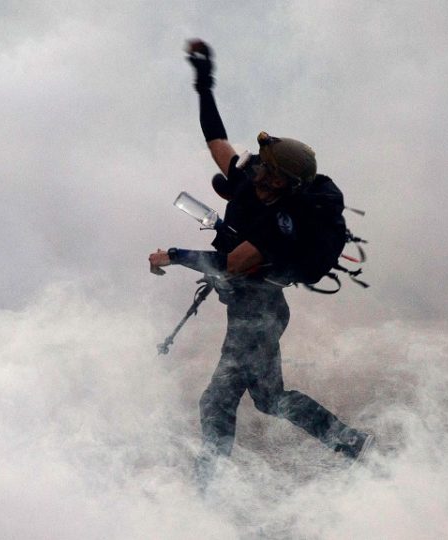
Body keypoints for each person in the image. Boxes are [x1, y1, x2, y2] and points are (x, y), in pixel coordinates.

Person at [148, 39, 373, 486]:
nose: (257, 171)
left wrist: (174, 256)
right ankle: (349, 442)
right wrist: (204, 82)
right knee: (271, 400)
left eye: (268, 169)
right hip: (251, 311)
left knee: (218, 402)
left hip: (260, 314)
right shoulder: (253, 180)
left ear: (286, 182)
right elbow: (215, 139)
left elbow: (230, 264)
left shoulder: (282, 222)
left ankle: (207, 488)